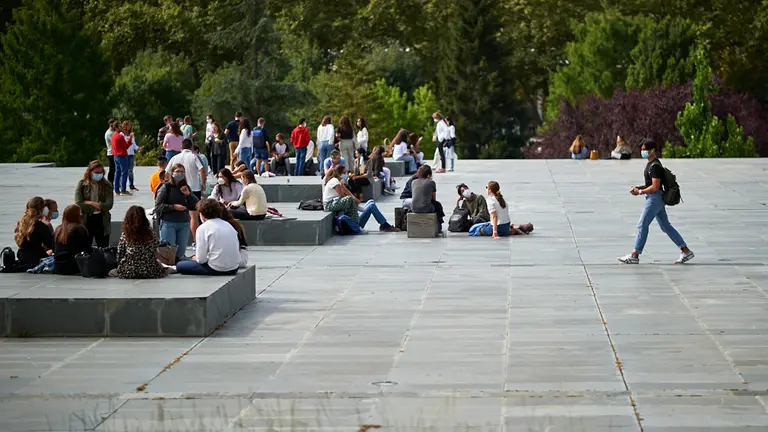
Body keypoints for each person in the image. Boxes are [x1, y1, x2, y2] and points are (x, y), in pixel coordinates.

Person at [618, 139, 694, 265]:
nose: (643, 152)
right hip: (655, 197)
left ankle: (634, 255)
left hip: (654, 199)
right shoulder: (651, 164)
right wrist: (639, 188)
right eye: (642, 149)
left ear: (652, 150)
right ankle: (685, 251)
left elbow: (655, 187)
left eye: (645, 149)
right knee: (665, 226)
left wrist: (640, 192)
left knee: (642, 225)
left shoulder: (655, 166)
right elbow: (650, 184)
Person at [174, 198, 241, 276]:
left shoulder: (203, 228)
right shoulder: (228, 225)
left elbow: (201, 260)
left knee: (180, 265)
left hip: (216, 269)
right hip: (234, 268)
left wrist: (197, 259)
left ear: (201, 214)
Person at [323, 165, 399, 232]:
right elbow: (342, 195)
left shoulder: (340, 181)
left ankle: (383, 224)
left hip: (342, 208)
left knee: (371, 202)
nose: (346, 175)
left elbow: (347, 191)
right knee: (351, 200)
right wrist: (354, 201)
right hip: (335, 207)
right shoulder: (335, 181)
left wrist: (356, 199)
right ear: (340, 173)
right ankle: (383, 225)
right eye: (344, 173)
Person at [155, 163, 200, 262]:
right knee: (168, 253)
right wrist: (173, 207)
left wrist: (188, 195)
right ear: (172, 173)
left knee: (180, 254)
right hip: (168, 223)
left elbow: (196, 204)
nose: (180, 174)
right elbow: (158, 206)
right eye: (178, 171)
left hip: (184, 223)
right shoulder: (166, 187)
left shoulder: (185, 187)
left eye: (182, 172)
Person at [167, 139, 206, 239]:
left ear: (181, 147)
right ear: (192, 147)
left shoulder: (175, 157)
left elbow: (167, 172)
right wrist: (203, 183)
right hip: (193, 188)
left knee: (177, 213)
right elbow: (202, 169)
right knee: (194, 217)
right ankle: (195, 240)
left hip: (178, 188)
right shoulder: (194, 156)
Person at [115, 205, 166, 279]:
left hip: (129, 270)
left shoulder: (126, 235)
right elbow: (155, 248)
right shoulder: (150, 233)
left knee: (112, 272)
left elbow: (120, 254)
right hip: (150, 270)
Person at [8, 197, 54, 271]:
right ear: (43, 209)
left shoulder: (21, 223)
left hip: (22, 255)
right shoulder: (41, 226)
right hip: (36, 257)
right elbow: (51, 244)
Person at [75, 161, 114, 247]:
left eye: (101, 172)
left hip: (102, 219)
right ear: (90, 172)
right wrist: (96, 207)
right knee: (85, 248)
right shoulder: (82, 184)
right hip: (86, 219)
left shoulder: (107, 185)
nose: (99, 175)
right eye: (96, 173)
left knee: (103, 247)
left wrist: (91, 203)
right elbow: (78, 203)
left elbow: (109, 205)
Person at [52, 205, 91, 275]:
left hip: (58, 266)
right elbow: (86, 248)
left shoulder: (58, 229)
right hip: (73, 266)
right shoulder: (79, 229)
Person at [410, 165, 445, 231]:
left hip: (413, 208)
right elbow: (434, 199)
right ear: (428, 175)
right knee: (438, 205)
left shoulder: (413, 182)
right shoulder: (431, 182)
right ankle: (439, 226)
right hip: (426, 208)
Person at [111, 121, 133, 196]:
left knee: (117, 172)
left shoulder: (113, 135)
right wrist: (130, 138)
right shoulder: (120, 136)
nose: (121, 127)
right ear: (117, 127)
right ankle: (123, 189)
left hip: (115, 156)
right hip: (122, 156)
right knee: (124, 173)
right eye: (120, 126)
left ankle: (116, 189)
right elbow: (126, 146)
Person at [122, 120, 140, 192]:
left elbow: (133, 144)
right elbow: (124, 144)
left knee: (130, 171)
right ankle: (122, 186)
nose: (130, 127)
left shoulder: (131, 134)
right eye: (128, 125)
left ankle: (131, 185)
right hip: (124, 154)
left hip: (131, 154)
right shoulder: (121, 134)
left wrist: (138, 148)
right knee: (124, 171)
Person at [105, 119, 116, 184]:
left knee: (114, 169)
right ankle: (110, 183)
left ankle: (113, 183)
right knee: (112, 169)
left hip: (114, 153)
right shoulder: (109, 133)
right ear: (111, 124)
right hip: (111, 153)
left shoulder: (113, 132)